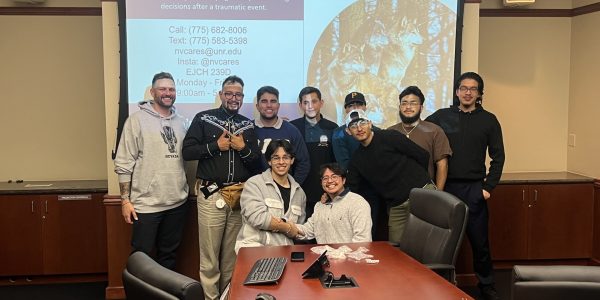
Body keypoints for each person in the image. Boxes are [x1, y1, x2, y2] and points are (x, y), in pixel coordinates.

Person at [426, 72, 505, 300]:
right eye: (463, 88)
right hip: (446, 188)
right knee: (442, 241)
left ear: (480, 93)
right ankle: (439, 283)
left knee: (480, 243)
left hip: (475, 189)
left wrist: (488, 188)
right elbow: (419, 131)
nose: (468, 92)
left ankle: (487, 285)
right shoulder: (441, 116)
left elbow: (498, 157)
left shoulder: (489, 120)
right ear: (457, 91)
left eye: (473, 89)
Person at [182, 75, 261, 300]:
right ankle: (210, 298)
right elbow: (187, 152)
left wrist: (242, 147)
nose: (233, 98)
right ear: (221, 95)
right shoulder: (203, 119)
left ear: (242, 97)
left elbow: (256, 161)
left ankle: (228, 296)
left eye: (238, 95)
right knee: (209, 258)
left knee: (231, 257)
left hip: (238, 196)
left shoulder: (248, 125)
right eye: (229, 93)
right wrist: (215, 146)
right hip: (210, 194)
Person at [114, 72, 189, 270]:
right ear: (152, 91)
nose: (167, 93)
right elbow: (124, 162)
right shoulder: (136, 120)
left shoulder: (182, 122)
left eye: (171, 89)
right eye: (162, 89)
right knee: (141, 259)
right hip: (146, 206)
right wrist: (125, 200)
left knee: (169, 258)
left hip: (177, 203)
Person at [345, 109, 432, 244]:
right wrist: (330, 197)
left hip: (421, 192)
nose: (359, 128)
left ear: (370, 123)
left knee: (427, 243)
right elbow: (351, 188)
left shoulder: (390, 136)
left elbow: (422, 155)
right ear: (348, 132)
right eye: (353, 126)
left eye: (362, 123)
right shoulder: (357, 160)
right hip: (396, 205)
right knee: (395, 249)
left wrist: (422, 183)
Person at [235, 140, 305, 253]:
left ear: (292, 160)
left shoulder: (300, 193)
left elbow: (298, 229)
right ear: (269, 161)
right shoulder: (254, 184)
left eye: (286, 157)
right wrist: (287, 227)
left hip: (285, 252)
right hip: (254, 248)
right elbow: (257, 218)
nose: (281, 162)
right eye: (276, 158)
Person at [331, 92, 382, 236]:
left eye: (358, 104)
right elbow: (344, 164)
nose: (354, 108)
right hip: (351, 189)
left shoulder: (377, 131)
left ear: (365, 107)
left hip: (375, 189)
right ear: (345, 110)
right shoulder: (339, 133)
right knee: (349, 231)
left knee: (370, 229)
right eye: (350, 105)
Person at [388, 86, 452, 190]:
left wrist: (438, 194)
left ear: (421, 108)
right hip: (395, 194)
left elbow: (442, 165)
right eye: (404, 103)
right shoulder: (390, 132)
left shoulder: (434, 131)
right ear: (399, 107)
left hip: (425, 192)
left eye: (413, 103)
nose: (408, 107)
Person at [290, 87, 338, 218]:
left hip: (325, 191)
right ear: (300, 105)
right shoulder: (292, 127)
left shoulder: (332, 128)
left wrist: (331, 189)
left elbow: (335, 163)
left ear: (321, 103)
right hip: (298, 190)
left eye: (314, 101)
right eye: (305, 102)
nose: (310, 106)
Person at [295, 163, 372, 244]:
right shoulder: (319, 206)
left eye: (334, 176)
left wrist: (339, 255)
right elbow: (307, 231)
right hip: (325, 256)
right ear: (321, 183)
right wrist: (285, 226)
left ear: (343, 180)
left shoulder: (357, 203)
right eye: (325, 178)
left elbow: (363, 240)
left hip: (350, 256)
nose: (330, 181)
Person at [254, 85, 310, 185]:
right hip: (254, 190)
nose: (269, 105)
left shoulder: (292, 130)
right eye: (264, 101)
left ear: (278, 105)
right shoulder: (248, 130)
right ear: (257, 106)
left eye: (273, 101)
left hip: (284, 190)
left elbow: (303, 163)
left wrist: (292, 186)